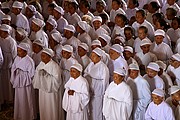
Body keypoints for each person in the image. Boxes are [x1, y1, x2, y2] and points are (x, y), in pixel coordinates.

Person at [33, 48, 64, 120]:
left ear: (49, 57)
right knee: (44, 106)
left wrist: (46, 75)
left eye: (44, 56)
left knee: (51, 107)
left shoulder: (55, 66)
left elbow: (57, 80)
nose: (42, 57)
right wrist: (39, 74)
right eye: (41, 56)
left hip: (51, 92)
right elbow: (36, 74)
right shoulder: (41, 64)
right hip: (43, 91)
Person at [10, 43, 36, 120]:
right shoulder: (17, 58)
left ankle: (28, 116)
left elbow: (31, 74)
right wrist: (15, 72)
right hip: (18, 81)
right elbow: (13, 68)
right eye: (18, 51)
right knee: (19, 99)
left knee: (26, 99)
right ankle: (19, 115)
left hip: (25, 83)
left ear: (25, 52)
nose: (18, 53)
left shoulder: (29, 61)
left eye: (20, 51)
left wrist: (23, 74)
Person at [84, 47, 109, 120]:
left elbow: (105, 82)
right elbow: (85, 73)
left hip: (98, 93)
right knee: (91, 111)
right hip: (90, 91)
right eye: (91, 55)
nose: (91, 57)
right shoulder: (91, 64)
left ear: (99, 57)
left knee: (97, 111)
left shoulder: (103, 67)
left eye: (94, 56)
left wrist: (103, 93)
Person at [0, 24, 17, 104]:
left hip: (8, 60)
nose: (1, 33)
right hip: (2, 60)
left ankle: (10, 98)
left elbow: (14, 53)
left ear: (7, 33)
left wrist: (14, 64)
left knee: (9, 79)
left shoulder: (11, 41)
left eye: (2, 32)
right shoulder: (0, 39)